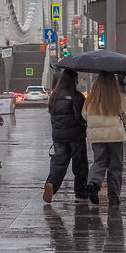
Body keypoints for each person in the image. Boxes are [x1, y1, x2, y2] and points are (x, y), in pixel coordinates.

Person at [82, 72, 126, 208]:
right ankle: (114, 197)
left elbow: (84, 116)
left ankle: (93, 184)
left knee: (99, 162)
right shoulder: (119, 98)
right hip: (115, 136)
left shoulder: (90, 99)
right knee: (115, 166)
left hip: (97, 137)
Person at [43, 69, 88, 203]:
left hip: (58, 136)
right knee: (80, 165)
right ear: (73, 80)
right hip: (76, 136)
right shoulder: (77, 97)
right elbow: (83, 117)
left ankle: (51, 183)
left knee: (58, 162)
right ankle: (81, 194)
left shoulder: (54, 96)